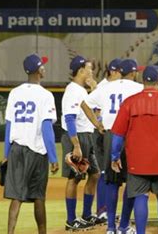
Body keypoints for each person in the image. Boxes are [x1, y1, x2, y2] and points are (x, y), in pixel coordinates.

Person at [110, 65, 158, 234]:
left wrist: (114, 156)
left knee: (140, 197)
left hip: (138, 160)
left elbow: (117, 135)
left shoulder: (130, 102)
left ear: (142, 80)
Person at [81, 59, 143, 234]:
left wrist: (97, 124)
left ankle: (110, 228)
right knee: (132, 182)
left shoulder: (106, 87)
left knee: (111, 182)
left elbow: (85, 104)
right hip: (130, 136)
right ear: (133, 73)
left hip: (110, 134)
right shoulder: (138, 88)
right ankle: (123, 226)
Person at [3, 54, 59, 234]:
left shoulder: (15, 92)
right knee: (38, 197)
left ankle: (10, 233)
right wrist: (53, 157)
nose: (44, 67)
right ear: (38, 70)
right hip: (37, 151)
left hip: (17, 149)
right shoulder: (45, 95)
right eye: (42, 65)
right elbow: (46, 128)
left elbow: (9, 126)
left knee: (16, 197)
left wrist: (6, 154)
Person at [61, 55, 102, 231]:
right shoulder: (72, 91)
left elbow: (89, 110)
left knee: (95, 174)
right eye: (89, 69)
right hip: (75, 137)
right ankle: (71, 220)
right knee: (74, 178)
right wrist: (76, 145)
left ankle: (86, 214)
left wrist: (98, 126)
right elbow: (69, 119)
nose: (91, 72)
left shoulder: (81, 91)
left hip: (87, 136)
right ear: (81, 71)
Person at [91, 58, 122, 225]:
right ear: (112, 71)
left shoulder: (115, 87)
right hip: (103, 135)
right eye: (119, 72)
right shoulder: (103, 87)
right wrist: (98, 123)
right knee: (105, 172)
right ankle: (101, 210)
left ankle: (107, 210)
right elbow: (93, 108)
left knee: (112, 173)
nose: (121, 75)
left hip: (114, 134)